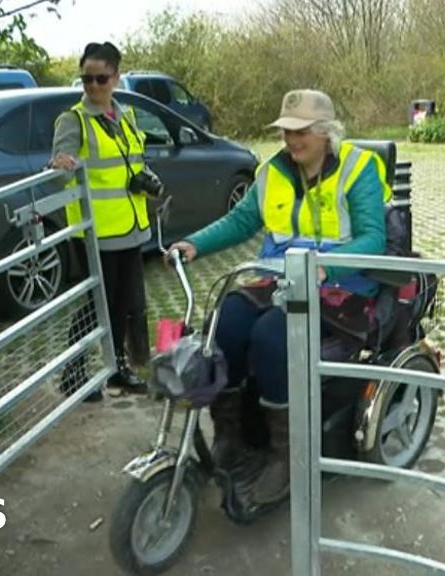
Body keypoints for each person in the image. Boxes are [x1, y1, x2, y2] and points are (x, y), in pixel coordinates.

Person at [167, 89, 388, 505]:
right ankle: (230, 435)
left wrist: (327, 265)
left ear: (326, 132)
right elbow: (242, 220)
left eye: (301, 132)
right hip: (278, 279)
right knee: (226, 320)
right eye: (286, 132)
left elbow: (374, 238)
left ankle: (285, 457)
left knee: (271, 336)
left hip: (341, 288)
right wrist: (194, 244)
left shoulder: (358, 170)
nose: (291, 141)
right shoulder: (273, 172)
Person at [51, 41, 159, 401]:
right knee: (94, 305)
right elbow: (59, 166)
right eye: (86, 79)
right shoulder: (74, 120)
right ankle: (74, 374)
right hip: (95, 233)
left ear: (116, 77)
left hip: (129, 227)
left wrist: (147, 179)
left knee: (121, 305)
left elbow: (132, 162)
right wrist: (59, 165)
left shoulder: (123, 115)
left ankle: (115, 369)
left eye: (100, 78)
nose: (93, 86)